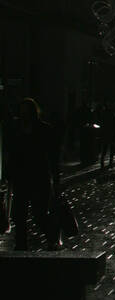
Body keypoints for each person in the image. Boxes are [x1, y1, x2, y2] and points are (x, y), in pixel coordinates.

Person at [7, 98, 61, 251]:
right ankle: (21, 245)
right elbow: (12, 154)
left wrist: (56, 178)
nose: (24, 115)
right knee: (19, 215)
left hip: (39, 177)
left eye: (27, 112)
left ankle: (52, 238)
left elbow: (53, 156)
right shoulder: (16, 129)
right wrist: (8, 174)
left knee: (40, 214)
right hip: (21, 178)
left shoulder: (44, 129)